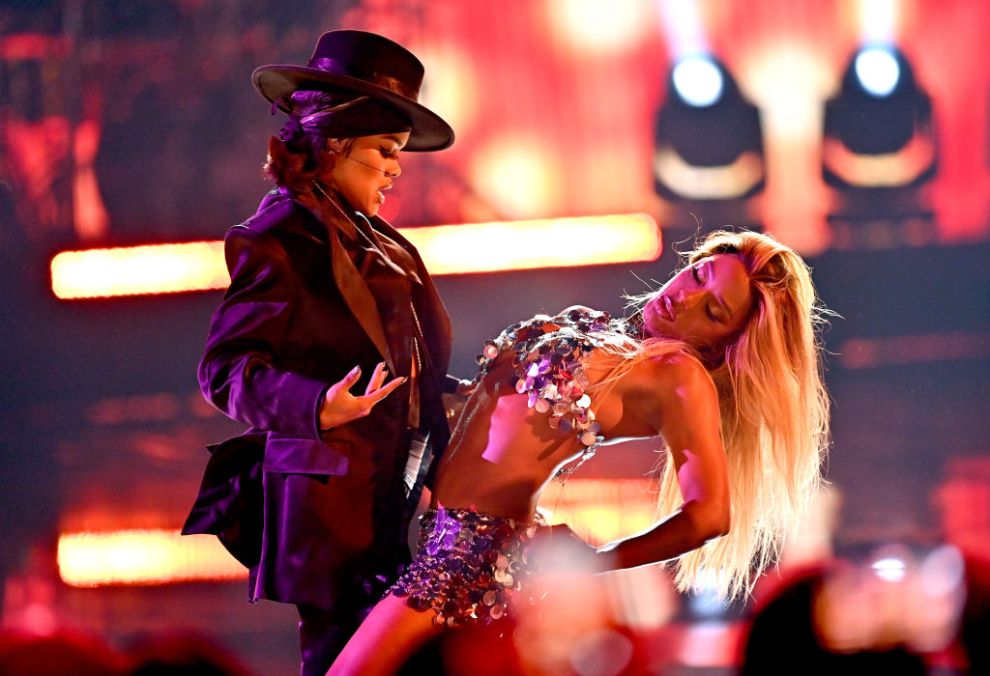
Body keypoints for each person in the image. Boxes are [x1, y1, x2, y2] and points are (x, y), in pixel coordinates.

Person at [328, 229, 832, 674]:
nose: (686, 297)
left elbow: (710, 516)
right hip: (436, 539)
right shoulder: (621, 344)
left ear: (723, 347)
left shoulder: (679, 374)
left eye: (713, 311)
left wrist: (594, 562)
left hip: (472, 561)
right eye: (698, 275)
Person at [181, 30, 464, 676]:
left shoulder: (383, 241)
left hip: (395, 498)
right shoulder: (280, 236)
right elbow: (224, 370)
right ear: (336, 143)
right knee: (344, 660)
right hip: (332, 511)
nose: (396, 167)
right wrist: (317, 406)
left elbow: (408, 361)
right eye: (385, 151)